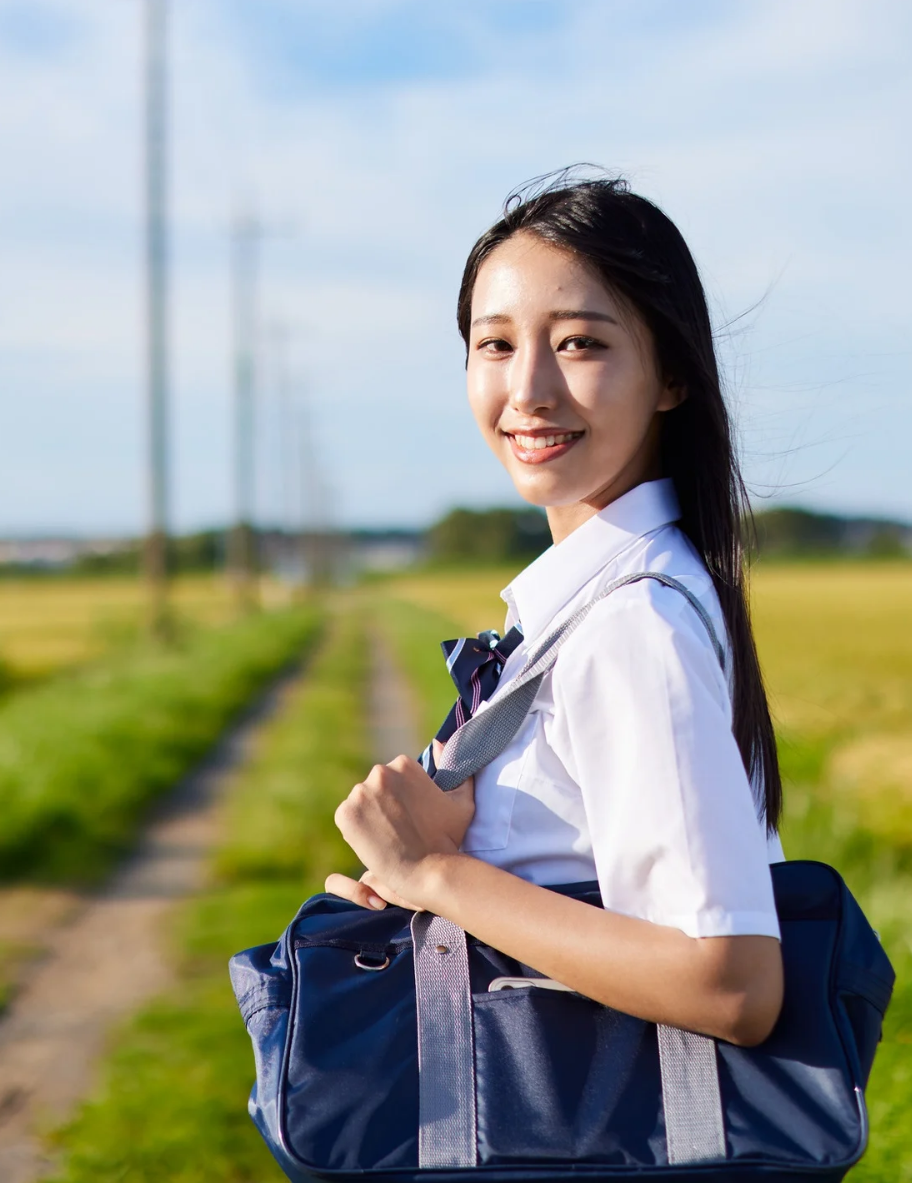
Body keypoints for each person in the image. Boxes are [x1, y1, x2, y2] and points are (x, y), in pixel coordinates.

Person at [323, 175, 786, 1047]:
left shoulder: (632, 626)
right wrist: (417, 906)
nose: (528, 390)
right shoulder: (592, 608)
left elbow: (732, 985)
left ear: (672, 375)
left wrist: (437, 873)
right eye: (494, 346)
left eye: (579, 344)